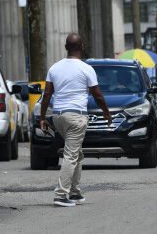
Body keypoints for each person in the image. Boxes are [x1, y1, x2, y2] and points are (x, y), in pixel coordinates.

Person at [40, 33, 111, 207]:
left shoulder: (54, 68)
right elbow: (98, 95)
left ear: (66, 47)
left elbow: (47, 94)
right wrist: (106, 113)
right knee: (71, 155)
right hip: (76, 117)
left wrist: (42, 117)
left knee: (77, 154)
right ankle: (61, 194)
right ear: (82, 47)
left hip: (58, 117)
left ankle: (75, 192)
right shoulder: (86, 68)